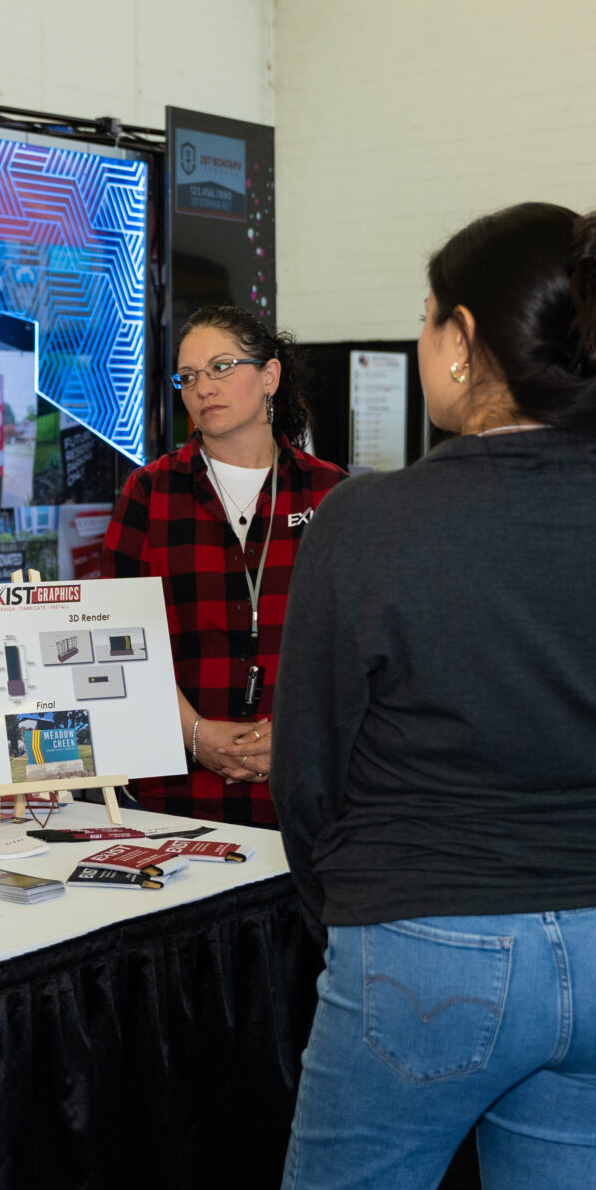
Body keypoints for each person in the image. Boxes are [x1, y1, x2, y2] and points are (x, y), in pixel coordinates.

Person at [266, 204, 596, 1190]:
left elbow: (309, 775)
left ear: (463, 336)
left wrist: (355, 912)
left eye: (428, 318)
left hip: (425, 941)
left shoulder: (365, 519)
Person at [104, 304, 349, 824]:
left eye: (221, 367)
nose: (202, 388)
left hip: (306, 788)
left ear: (269, 376)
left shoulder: (332, 493)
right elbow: (116, 642)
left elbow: (359, 645)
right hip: (176, 793)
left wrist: (294, 731)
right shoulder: (149, 493)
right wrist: (195, 733)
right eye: (188, 377)